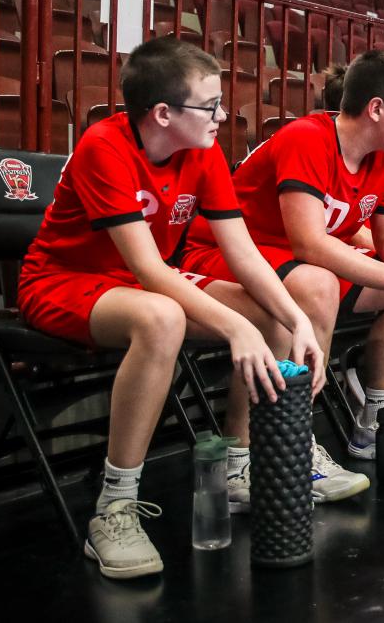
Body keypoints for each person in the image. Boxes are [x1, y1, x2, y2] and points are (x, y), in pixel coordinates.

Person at [17, 36, 329, 579]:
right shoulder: (103, 146)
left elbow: (243, 253)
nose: (222, 116)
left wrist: (297, 319)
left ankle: (238, 465)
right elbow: (150, 272)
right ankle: (114, 506)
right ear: (163, 113)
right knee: (164, 318)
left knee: (269, 311)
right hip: (63, 282)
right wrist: (234, 328)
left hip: (140, 284)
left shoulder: (202, 151)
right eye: (210, 106)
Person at [182, 51, 384, 467]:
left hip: (293, 257)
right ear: (376, 109)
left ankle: (378, 420)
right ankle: (290, 443)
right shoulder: (307, 138)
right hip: (227, 252)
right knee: (324, 285)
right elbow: (309, 243)